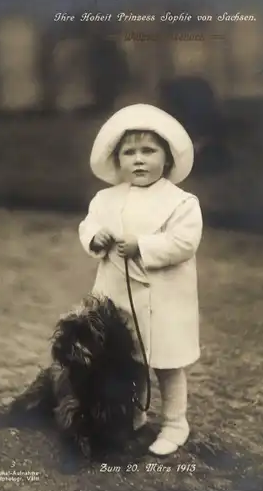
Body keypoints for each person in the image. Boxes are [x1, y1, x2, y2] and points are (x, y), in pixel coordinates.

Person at [78, 104, 203, 456]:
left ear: (167, 156)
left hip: (165, 298)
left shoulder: (181, 202)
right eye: (129, 152)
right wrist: (95, 238)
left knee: (167, 362)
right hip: (117, 293)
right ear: (117, 160)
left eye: (148, 151)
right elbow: (89, 225)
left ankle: (176, 422)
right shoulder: (105, 199)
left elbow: (184, 242)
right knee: (125, 359)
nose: (138, 160)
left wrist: (143, 246)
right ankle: (132, 416)